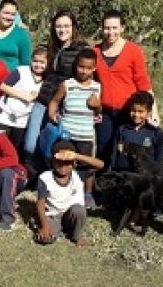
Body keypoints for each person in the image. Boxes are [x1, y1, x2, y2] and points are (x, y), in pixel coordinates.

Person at [93, 10, 159, 168]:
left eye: (115, 28)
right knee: (104, 151)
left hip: (129, 112)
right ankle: (102, 187)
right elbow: (93, 83)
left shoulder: (133, 51)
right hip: (106, 113)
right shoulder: (95, 51)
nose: (111, 32)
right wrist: (95, 110)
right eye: (107, 28)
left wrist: (154, 111)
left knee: (127, 153)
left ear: (122, 28)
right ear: (102, 28)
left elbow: (143, 82)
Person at [24, 10, 90, 162]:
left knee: (52, 144)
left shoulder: (82, 50)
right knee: (30, 144)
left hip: (63, 103)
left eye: (66, 26)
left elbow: (86, 77)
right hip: (43, 99)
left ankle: (48, 177)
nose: (62, 30)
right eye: (58, 26)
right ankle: (32, 172)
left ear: (74, 27)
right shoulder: (51, 47)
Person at [48, 48, 101, 208]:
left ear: (94, 69)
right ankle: (62, 190)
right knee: (63, 162)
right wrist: (52, 112)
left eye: (88, 68)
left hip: (85, 135)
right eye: (81, 67)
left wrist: (98, 105)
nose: (84, 71)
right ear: (76, 65)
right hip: (67, 134)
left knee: (88, 167)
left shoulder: (96, 87)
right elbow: (55, 100)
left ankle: (87, 193)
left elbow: (99, 111)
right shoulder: (67, 85)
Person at [35, 141, 103, 249]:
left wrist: (76, 155)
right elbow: (40, 203)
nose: (63, 166)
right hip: (54, 215)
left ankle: (76, 235)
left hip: (72, 213)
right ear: (53, 161)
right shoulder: (45, 177)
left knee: (79, 210)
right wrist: (45, 225)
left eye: (68, 162)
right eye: (59, 162)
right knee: (46, 239)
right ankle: (57, 229)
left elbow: (101, 165)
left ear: (74, 163)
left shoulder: (79, 174)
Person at [0, 46, 47, 159]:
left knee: (13, 149)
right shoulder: (21, 71)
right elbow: (3, 86)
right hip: (5, 115)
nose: (38, 65)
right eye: (35, 61)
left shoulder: (46, 80)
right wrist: (25, 97)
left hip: (22, 121)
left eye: (42, 62)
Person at [110, 91, 163, 171]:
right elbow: (114, 155)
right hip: (124, 176)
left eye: (140, 111)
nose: (136, 115)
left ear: (148, 113)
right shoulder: (121, 129)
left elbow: (158, 159)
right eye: (133, 110)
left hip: (145, 177)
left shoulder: (156, 132)